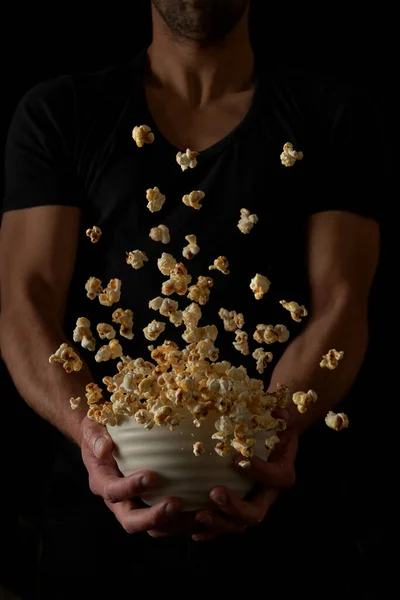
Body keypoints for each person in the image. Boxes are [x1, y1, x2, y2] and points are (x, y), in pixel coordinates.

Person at [1, 0, 384, 595]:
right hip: (98, 543)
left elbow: (342, 301)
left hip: (290, 538)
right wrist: (95, 439)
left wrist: (271, 429)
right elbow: (25, 305)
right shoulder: (62, 113)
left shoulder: (329, 114)